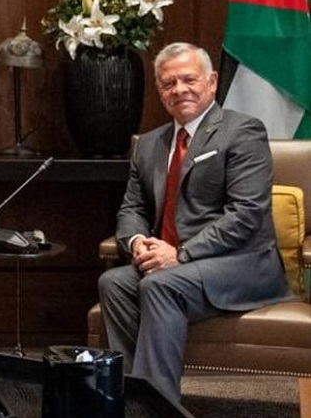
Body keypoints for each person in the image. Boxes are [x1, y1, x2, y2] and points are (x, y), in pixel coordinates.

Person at [98, 42, 291, 401]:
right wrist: (137, 243)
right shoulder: (149, 144)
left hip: (240, 265)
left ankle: (158, 407)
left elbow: (246, 215)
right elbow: (131, 209)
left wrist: (180, 253)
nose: (179, 89)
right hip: (173, 264)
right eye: (168, 83)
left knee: (160, 286)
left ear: (212, 82)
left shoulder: (243, 131)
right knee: (114, 282)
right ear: (160, 91)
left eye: (189, 79)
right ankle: (129, 399)